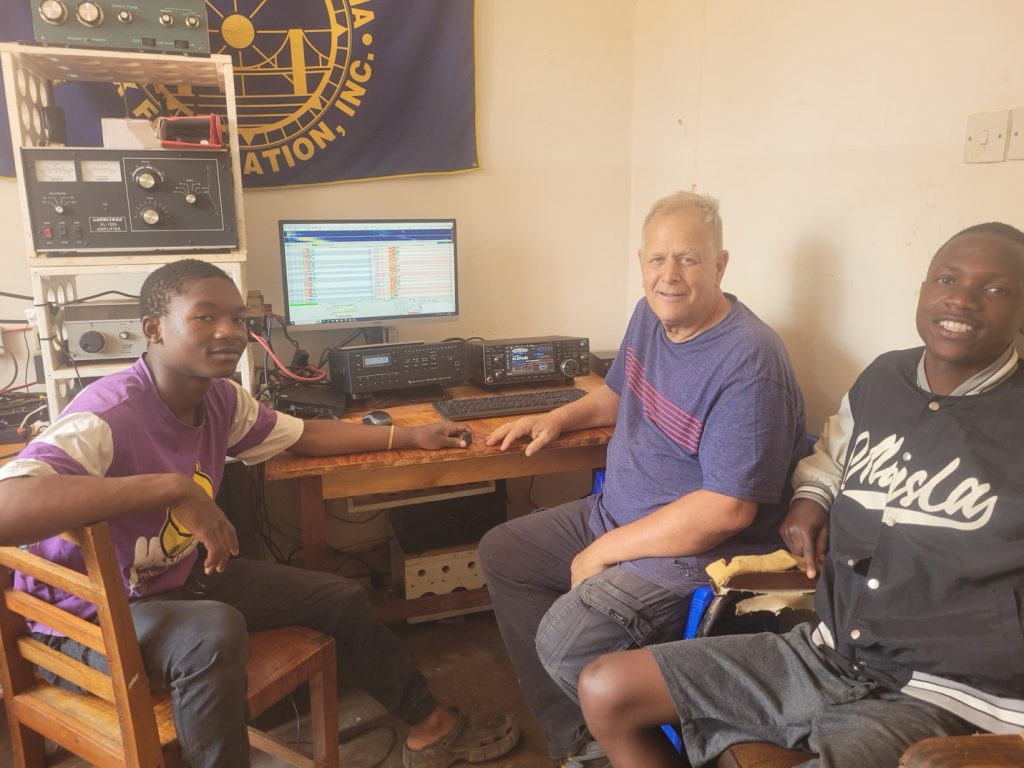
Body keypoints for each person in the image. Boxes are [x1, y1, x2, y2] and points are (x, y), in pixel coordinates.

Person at [0, 259, 518, 768]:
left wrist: (408, 435)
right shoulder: (106, 416)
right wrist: (171, 488)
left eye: (238, 319)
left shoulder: (221, 399)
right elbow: (8, 508)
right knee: (212, 633)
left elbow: (303, 434)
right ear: (153, 329)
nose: (229, 332)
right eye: (205, 317)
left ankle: (431, 729)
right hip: (82, 620)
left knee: (339, 596)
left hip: (171, 582)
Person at [577, 222, 1024, 768]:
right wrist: (811, 498)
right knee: (606, 687)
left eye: (995, 289)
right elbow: (831, 455)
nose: (961, 299)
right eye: (947, 278)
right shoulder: (885, 378)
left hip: (945, 691)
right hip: (830, 652)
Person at [478, 191, 807, 767]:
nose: (669, 275)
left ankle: (628, 735)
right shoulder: (650, 316)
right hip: (620, 515)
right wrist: (553, 418)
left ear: (720, 264)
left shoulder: (749, 360)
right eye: (657, 260)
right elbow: (613, 395)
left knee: (564, 639)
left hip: (694, 552)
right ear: (641, 262)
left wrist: (602, 552)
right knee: (504, 552)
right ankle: (580, 741)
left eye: (688, 258)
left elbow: (727, 511)